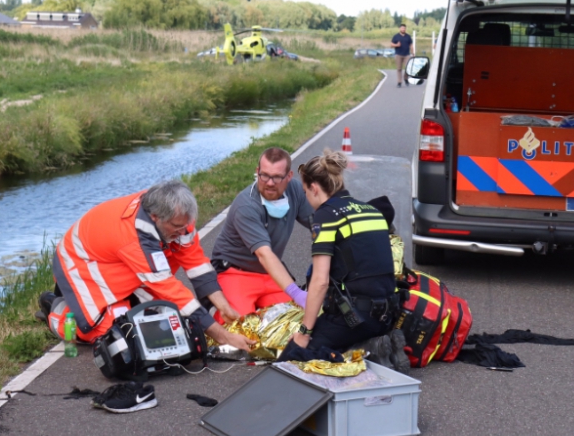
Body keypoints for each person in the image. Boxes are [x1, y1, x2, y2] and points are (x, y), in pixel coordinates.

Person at [41, 179, 254, 353]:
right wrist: (223, 336)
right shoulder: (133, 238)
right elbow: (171, 290)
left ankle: (127, 299)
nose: (184, 232)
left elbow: (196, 264)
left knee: (160, 320)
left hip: (120, 262)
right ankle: (57, 309)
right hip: (82, 265)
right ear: (155, 218)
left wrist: (224, 307)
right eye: (178, 227)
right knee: (115, 333)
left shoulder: (174, 215)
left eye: (185, 226)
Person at [282, 150, 409, 371]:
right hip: (389, 314)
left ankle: (359, 351)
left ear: (314, 188)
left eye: (305, 192)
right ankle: (373, 346)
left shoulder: (326, 215)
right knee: (338, 334)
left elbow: (320, 282)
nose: (307, 199)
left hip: (356, 318)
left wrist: (304, 334)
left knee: (290, 361)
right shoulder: (371, 211)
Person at [196, 147, 314, 320]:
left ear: (289, 176)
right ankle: (211, 313)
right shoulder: (246, 205)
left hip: (268, 273)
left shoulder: (295, 191)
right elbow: (263, 254)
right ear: (257, 172)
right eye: (264, 175)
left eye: (277, 177)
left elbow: (320, 225)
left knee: (296, 321)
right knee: (239, 326)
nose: (270, 183)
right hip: (235, 272)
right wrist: (296, 293)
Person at [391, 23, 414, 88]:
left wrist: (413, 53)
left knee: (408, 68)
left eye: (404, 28)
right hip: (398, 54)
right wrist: (396, 45)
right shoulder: (396, 36)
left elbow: (411, 45)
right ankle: (399, 82)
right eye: (402, 28)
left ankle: (405, 78)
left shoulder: (408, 36)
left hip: (407, 54)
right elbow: (391, 44)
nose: (403, 29)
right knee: (399, 69)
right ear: (400, 28)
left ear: (405, 29)